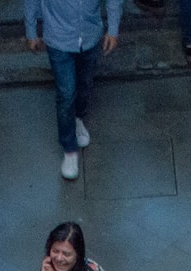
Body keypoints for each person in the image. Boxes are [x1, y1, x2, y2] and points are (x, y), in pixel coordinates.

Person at [26, 0, 120, 180]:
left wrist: (113, 29)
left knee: (84, 84)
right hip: (58, 38)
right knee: (66, 93)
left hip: (90, 37)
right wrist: (31, 31)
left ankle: (77, 118)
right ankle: (69, 149)